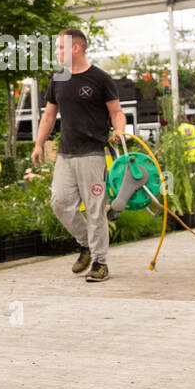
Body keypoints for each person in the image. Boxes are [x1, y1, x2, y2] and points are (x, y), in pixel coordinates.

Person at [32, 29, 126, 283]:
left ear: (76, 48)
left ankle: (100, 262)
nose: (57, 53)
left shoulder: (100, 79)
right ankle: (85, 244)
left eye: (61, 47)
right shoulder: (58, 79)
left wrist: (119, 130)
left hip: (93, 153)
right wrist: (39, 144)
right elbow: (50, 115)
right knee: (59, 203)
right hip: (66, 153)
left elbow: (116, 112)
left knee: (95, 209)